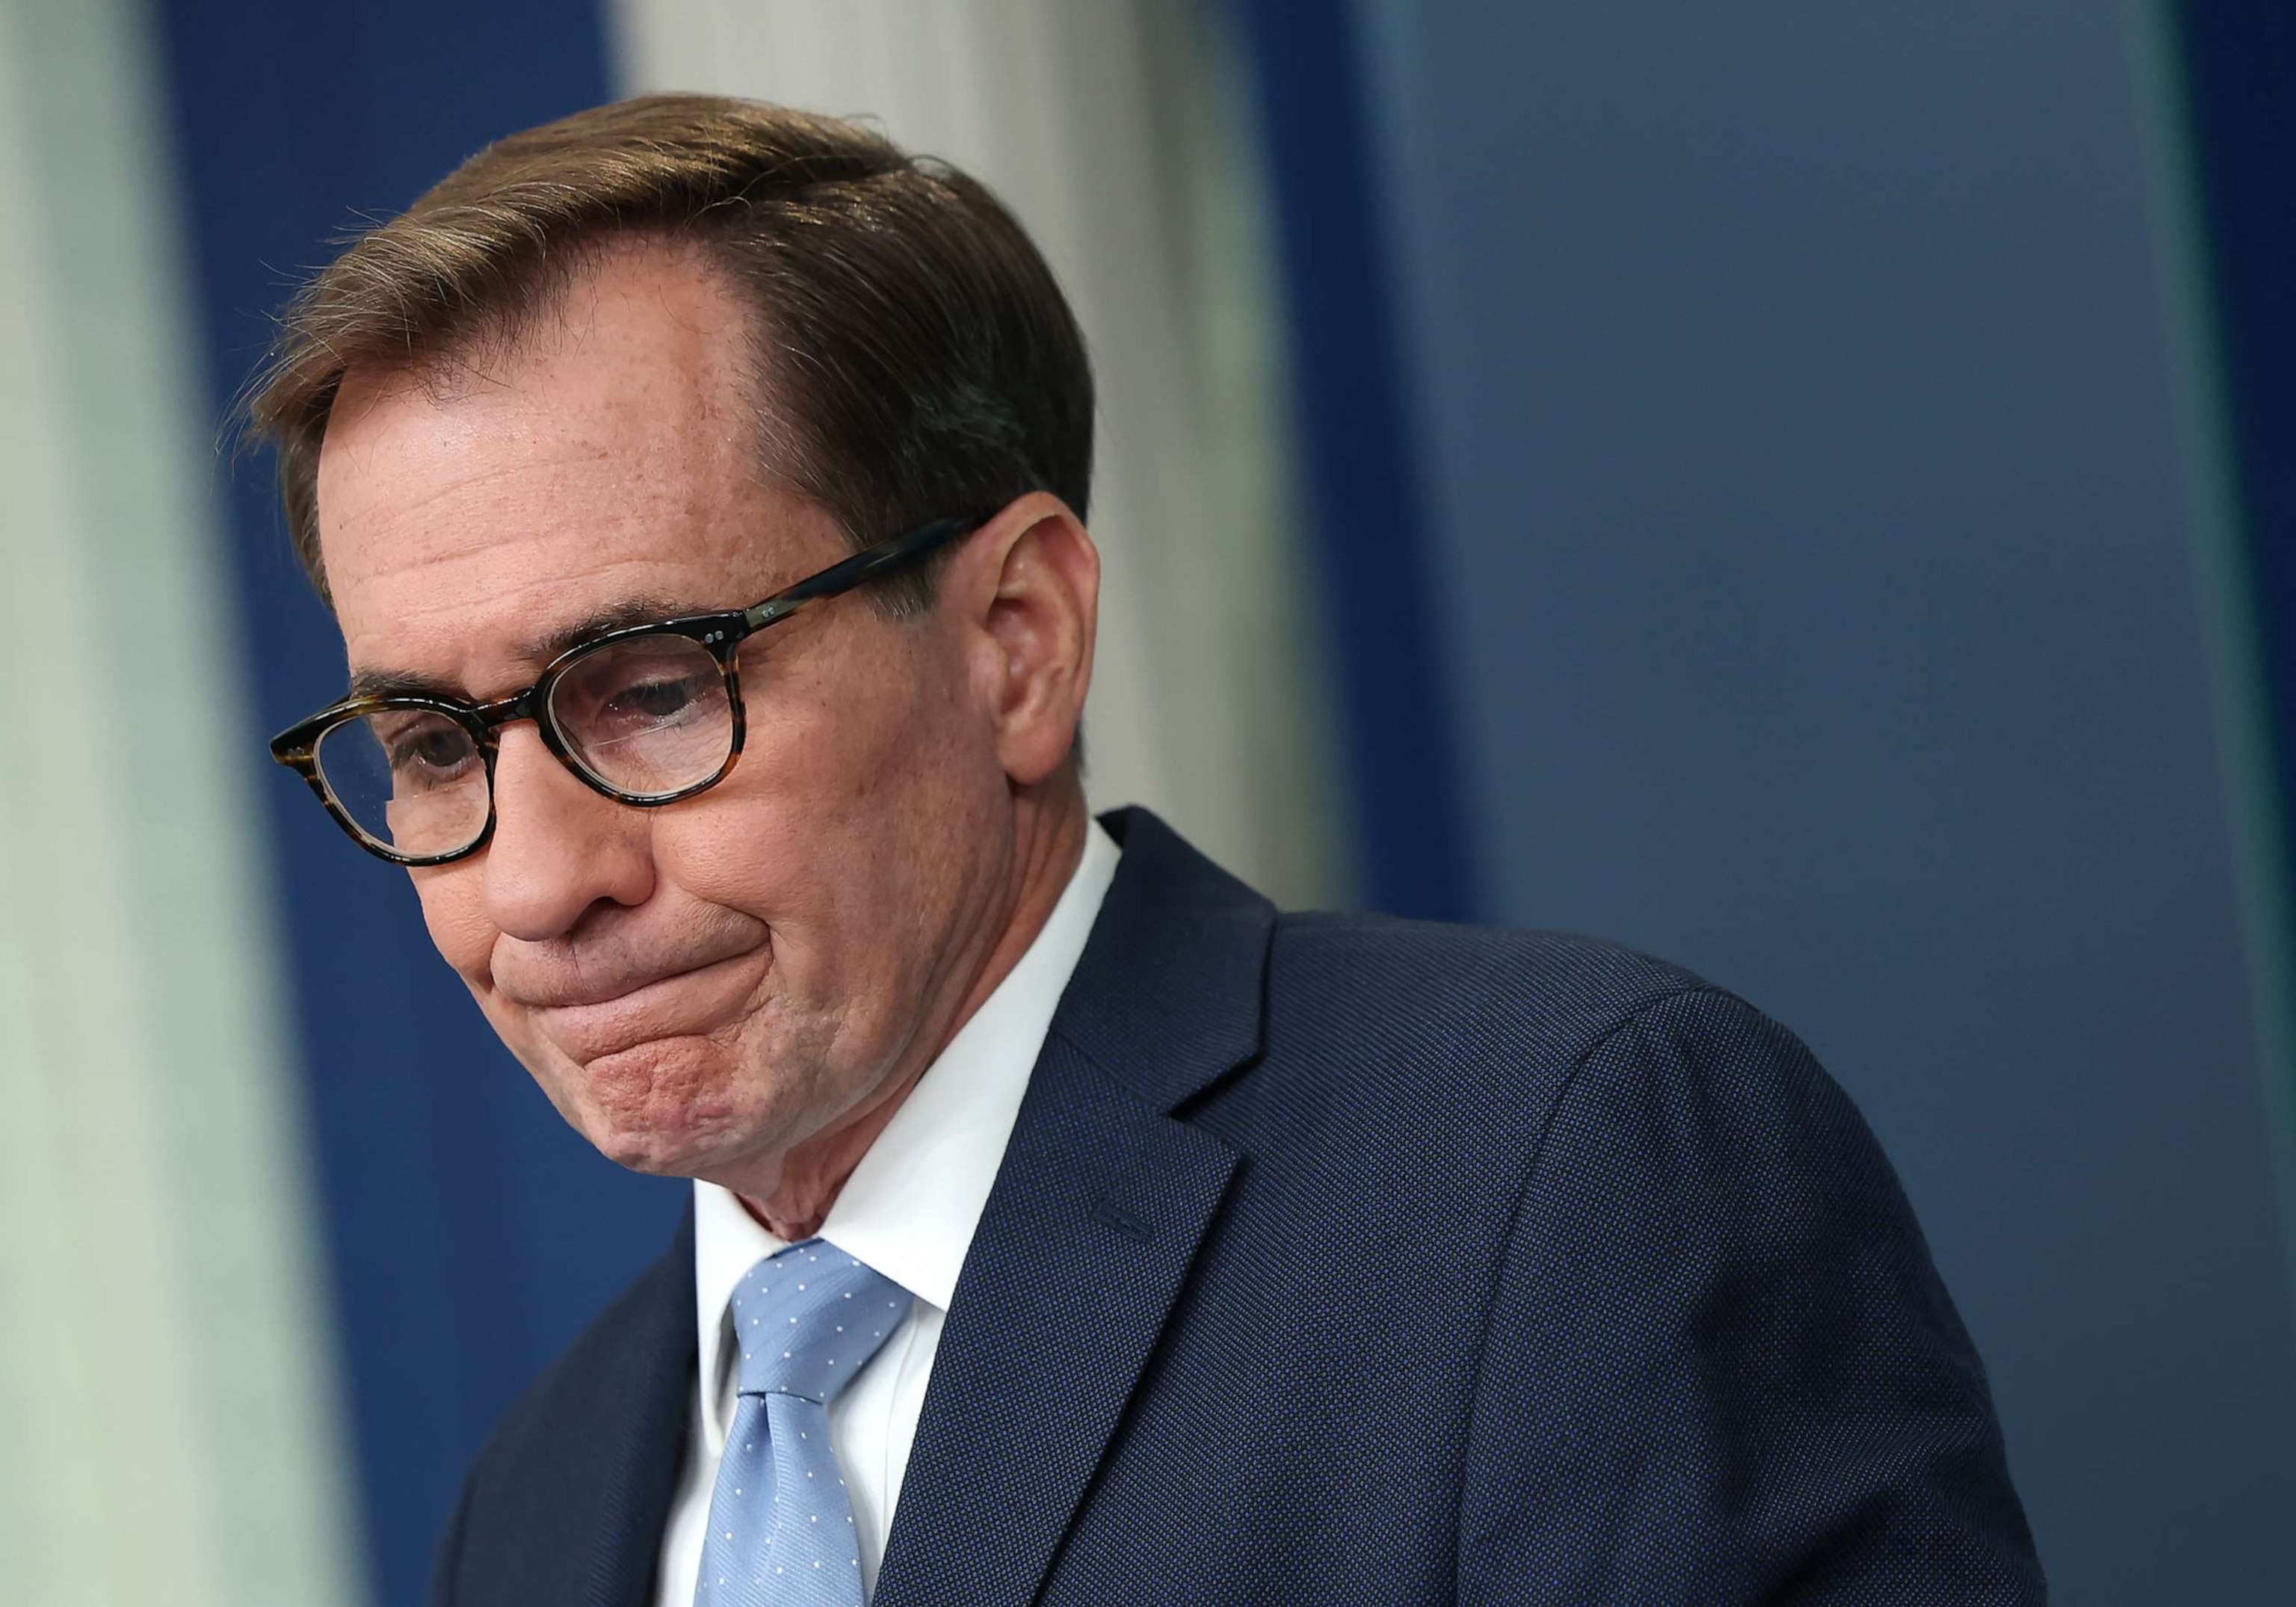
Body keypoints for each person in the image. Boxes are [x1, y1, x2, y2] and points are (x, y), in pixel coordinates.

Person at [249, 94, 2044, 1606]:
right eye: (426, 743)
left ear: (1015, 640)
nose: (540, 884)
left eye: (647, 691)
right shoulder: (540, 1504)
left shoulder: (1561, 1178)